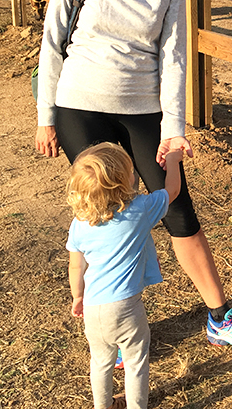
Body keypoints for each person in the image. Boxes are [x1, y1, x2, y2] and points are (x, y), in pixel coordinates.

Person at [35, 0, 232, 357]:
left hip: (144, 105)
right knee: (104, 213)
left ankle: (221, 317)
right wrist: (46, 117)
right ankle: (114, 326)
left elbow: (174, 59)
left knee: (177, 206)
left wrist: (174, 131)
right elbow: (52, 43)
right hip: (80, 103)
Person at [67, 142, 183, 409]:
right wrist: (174, 160)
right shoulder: (139, 210)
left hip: (93, 308)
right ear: (123, 182)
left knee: (100, 362)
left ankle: (103, 406)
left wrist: (77, 296)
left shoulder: (79, 223)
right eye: (131, 171)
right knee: (135, 362)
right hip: (126, 307)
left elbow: (76, 266)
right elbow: (173, 190)